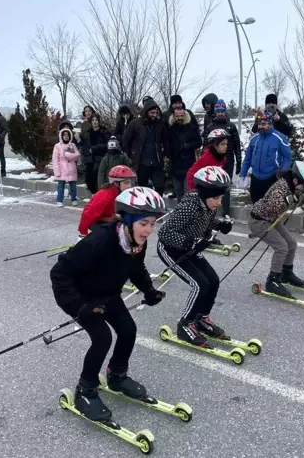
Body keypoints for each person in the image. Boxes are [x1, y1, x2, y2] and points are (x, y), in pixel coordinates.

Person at [50, 186, 167, 421]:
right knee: (102, 338)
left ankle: (116, 376)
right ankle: (85, 389)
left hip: (108, 294)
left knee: (128, 331)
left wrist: (149, 290)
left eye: (153, 223)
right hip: (81, 297)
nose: (149, 230)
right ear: (129, 221)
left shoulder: (136, 242)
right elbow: (60, 273)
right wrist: (78, 306)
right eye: (144, 223)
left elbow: (136, 268)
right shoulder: (100, 240)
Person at [157, 166, 233, 347]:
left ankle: (200, 318)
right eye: (216, 198)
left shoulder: (208, 205)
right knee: (200, 284)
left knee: (213, 280)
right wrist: (189, 243)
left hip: (189, 248)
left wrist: (221, 224)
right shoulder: (189, 206)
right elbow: (164, 233)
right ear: (205, 193)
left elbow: (209, 220)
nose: (219, 203)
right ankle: (185, 324)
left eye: (221, 198)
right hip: (171, 249)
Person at [249, 161, 304, 297]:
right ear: (295, 180)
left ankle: (286, 273)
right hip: (259, 221)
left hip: (271, 219)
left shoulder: (291, 186)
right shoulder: (281, 188)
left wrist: (295, 196)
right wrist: (291, 199)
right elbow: (272, 207)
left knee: (291, 244)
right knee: (281, 247)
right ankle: (272, 280)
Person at [239, 111, 292, 203]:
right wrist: (242, 174)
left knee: (270, 209)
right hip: (255, 179)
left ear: (270, 124)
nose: (260, 126)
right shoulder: (254, 139)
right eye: (259, 124)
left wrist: (283, 171)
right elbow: (248, 158)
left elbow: (288, 157)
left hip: (271, 178)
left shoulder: (279, 138)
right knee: (256, 209)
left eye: (264, 124)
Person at [122, 97, 167, 195]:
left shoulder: (160, 124)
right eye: (152, 113)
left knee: (160, 186)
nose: (154, 115)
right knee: (142, 186)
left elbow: (165, 140)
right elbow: (125, 140)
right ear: (147, 112)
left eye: (156, 113)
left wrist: (164, 153)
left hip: (156, 160)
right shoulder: (135, 123)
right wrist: (130, 155)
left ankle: (158, 205)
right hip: (141, 161)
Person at [205, 99, 241, 218]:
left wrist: (239, 161)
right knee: (214, 186)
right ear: (215, 112)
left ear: (225, 112)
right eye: (218, 111)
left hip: (229, 160)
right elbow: (205, 144)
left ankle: (226, 212)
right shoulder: (211, 126)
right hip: (214, 161)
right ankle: (212, 211)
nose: (220, 113)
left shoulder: (231, 126)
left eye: (222, 111)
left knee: (226, 187)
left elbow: (237, 144)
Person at [78, 165, 136, 237]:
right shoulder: (105, 195)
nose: (129, 186)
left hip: (108, 218)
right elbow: (88, 213)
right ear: (116, 183)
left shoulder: (120, 193)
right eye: (126, 183)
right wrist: (83, 233)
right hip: (98, 223)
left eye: (130, 182)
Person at [167, 106, 203, 201]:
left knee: (188, 192)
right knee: (179, 192)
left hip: (188, 164)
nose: (179, 118)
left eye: (181, 116)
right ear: (174, 117)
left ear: (185, 116)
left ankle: (188, 212)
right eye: (177, 116)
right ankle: (180, 213)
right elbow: (167, 145)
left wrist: (187, 145)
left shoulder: (192, 128)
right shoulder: (170, 130)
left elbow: (199, 142)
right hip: (176, 165)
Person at [79, 113, 109, 195]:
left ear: (99, 121)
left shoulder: (104, 131)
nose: (95, 122)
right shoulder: (88, 132)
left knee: (99, 180)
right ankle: (95, 195)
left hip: (100, 159)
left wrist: (96, 148)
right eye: (93, 120)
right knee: (89, 180)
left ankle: (99, 197)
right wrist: (78, 139)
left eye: (96, 120)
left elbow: (108, 144)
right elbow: (84, 145)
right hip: (89, 160)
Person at [52, 126, 81, 207]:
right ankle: (59, 200)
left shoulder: (72, 145)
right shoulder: (57, 146)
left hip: (71, 168)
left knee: (73, 187)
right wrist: (57, 171)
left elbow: (77, 155)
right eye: (64, 135)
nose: (66, 136)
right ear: (61, 136)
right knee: (60, 187)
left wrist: (68, 155)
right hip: (62, 169)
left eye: (67, 135)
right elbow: (55, 159)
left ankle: (74, 199)